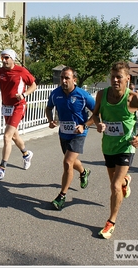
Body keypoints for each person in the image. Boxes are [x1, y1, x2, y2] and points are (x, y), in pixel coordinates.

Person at [91, 61, 138, 239]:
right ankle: (125, 180)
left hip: (126, 146)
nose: (115, 80)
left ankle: (111, 221)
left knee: (114, 186)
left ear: (127, 78)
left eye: (119, 77)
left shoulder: (133, 98)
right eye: (112, 77)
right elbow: (95, 114)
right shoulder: (101, 95)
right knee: (116, 183)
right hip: (108, 146)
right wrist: (98, 124)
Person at [45, 67, 95, 210]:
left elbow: (96, 113)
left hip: (78, 133)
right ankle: (84, 171)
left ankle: (62, 196)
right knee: (71, 161)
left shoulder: (83, 95)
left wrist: (84, 125)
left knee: (67, 162)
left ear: (74, 79)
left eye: (67, 78)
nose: (64, 81)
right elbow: (48, 108)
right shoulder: (55, 94)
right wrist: (50, 120)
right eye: (62, 78)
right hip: (64, 133)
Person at [0, 49, 37, 180]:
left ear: (12, 58)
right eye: (2, 58)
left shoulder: (21, 71)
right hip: (6, 107)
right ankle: (26, 154)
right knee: (14, 136)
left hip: (18, 106)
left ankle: (1, 169)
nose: (4, 60)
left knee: (7, 136)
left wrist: (23, 95)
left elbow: (33, 85)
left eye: (6, 58)